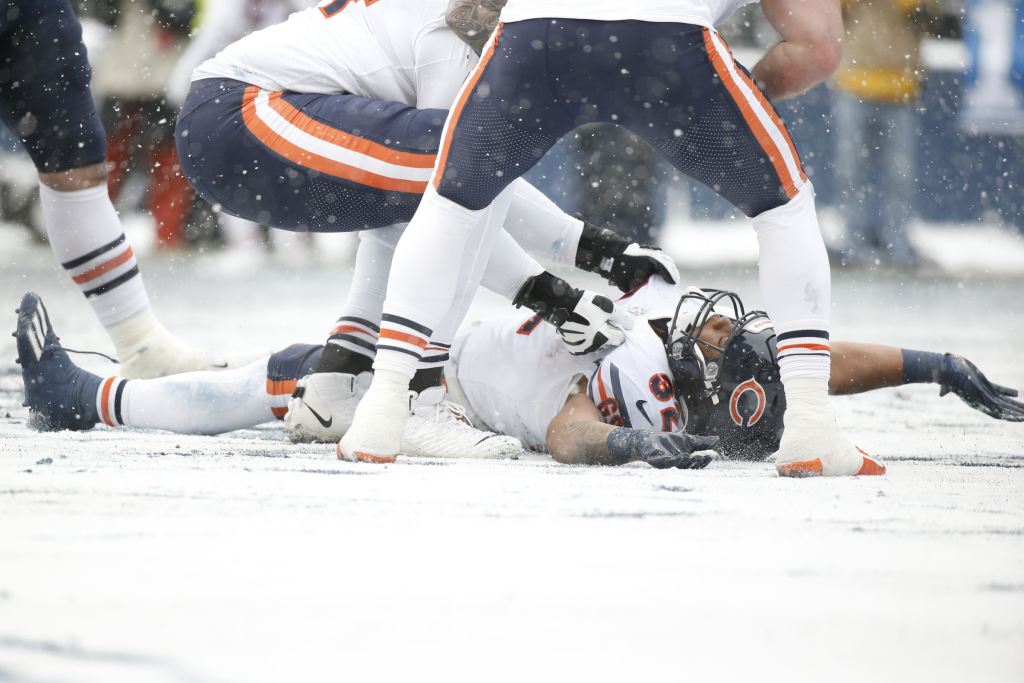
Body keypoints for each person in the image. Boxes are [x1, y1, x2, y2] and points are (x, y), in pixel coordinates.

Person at [339, 0, 854, 477]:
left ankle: (383, 406)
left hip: (540, 31)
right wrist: (736, 111)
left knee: (449, 205)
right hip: (669, 39)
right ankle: (810, 424)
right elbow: (817, 47)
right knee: (784, 208)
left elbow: (465, 11)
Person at [174, 0, 678, 456]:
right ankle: (419, 396)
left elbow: (453, 184)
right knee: (460, 168)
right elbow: (460, 190)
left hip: (233, 128)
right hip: (241, 116)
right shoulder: (458, 31)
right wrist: (557, 294)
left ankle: (337, 379)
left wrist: (599, 254)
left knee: (413, 189)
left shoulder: (471, 25)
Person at [15, 285, 1023, 472]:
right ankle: (99, 391)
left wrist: (619, 443)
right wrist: (932, 366)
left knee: (270, 381)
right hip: (458, 347)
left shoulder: (641, 396)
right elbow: (814, 365)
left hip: (442, 395)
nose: (718, 326)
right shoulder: (720, 379)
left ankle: (87, 400)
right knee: (279, 369)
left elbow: (568, 425)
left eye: (722, 341)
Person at [0, 0, 265, 378]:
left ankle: (139, 342)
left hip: (39, 10)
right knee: (120, 149)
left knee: (79, 164)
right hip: (137, 43)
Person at [831, 0, 933, 267]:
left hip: (899, 84)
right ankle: (853, 244)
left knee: (899, 175)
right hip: (856, 81)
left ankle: (898, 246)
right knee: (852, 173)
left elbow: (920, 11)